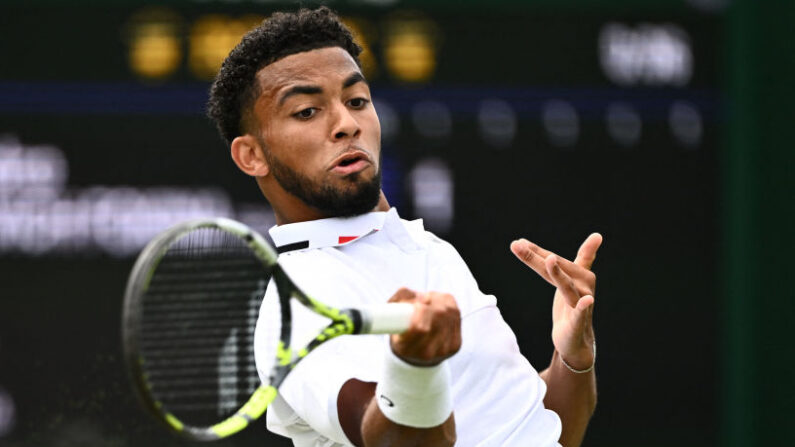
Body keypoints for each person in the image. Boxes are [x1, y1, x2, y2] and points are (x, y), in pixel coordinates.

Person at [207, 7, 602, 447]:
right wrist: (414, 366)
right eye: (306, 112)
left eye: (357, 101)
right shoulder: (295, 307)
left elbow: (546, 431)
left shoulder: (428, 247)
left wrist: (572, 358)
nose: (347, 124)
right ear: (251, 156)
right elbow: (392, 439)